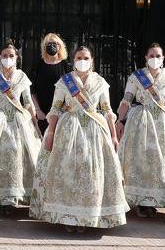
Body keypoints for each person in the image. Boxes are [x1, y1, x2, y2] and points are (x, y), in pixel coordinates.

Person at [31, 46, 128, 230]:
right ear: (73, 60)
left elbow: (107, 111)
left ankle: (87, 216)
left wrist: (114, 136)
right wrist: (50, 134)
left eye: (85, 57)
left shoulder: (100, 81)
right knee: (68, 172)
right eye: (78, 57)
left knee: (92, 175)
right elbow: (55, 109)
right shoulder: (64, 81)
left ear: (92, 60)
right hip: (68, 129)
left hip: (95, 130)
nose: (82, 61)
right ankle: (69, 216)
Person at [116, 42, 165, 216]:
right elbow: (126, 100)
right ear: (146, 57)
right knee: (140, 161)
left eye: (158, 56)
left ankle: (154, 201)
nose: (154, 59)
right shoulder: (137, 76)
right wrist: (120, 121)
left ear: (163, 58)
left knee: (161, 164)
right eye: (151, 56)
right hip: (140, 122)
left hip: (164, 124)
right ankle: (142, 203)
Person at [0, 41, 41, 210]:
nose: (8, 58)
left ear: (16, 58)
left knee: (18, 157)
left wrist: (35, 124)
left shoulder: (22, 77)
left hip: (19, 122)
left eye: (11, 56)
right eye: (5, 56)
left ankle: (14, 197)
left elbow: (27, 103)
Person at [29, 34, 69, 117]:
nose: (52, 46)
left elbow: (71, 91)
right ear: (44, 47)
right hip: (41, 113)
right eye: (49, 44)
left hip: (61, 114)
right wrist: (37, 110)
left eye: (55, 43)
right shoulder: (38, 65)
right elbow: (32, 89)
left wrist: (61, 111)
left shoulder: (66, 66)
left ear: (60, 46)